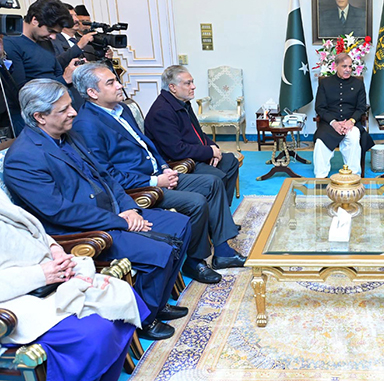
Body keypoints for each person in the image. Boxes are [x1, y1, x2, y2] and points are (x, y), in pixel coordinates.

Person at [4, 79, 192, 341]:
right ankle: (146, 318)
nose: (74, 113)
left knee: (180, 225)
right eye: (64, 110)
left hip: (115, 213)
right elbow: (59, 212)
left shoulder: (70, 136)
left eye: (71, 106)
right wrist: (119, 220)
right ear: (40, 117)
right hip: (83, 230)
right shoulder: (23, 158)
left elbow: (106, 176)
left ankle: (157, 303)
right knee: (160, 250)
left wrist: (129, 209)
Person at [72, 63, 246, 285]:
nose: (119, 85)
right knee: (196, 201)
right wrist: (155, 180)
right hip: (138, 187)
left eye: (116, 80)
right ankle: (195, 262)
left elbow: (148, 145)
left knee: (212, 183)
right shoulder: (86, 124)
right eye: (111, 82)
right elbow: (106, 174)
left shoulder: (121, 109)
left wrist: (164, 167)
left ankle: (222, 252)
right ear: (92, 92)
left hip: (160, 173)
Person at [0, 189, 147, 381]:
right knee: (96, 333)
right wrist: (40, 275)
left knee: (119, 296)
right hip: (15, 300)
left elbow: (27, 226)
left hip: (48, 277)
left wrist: (55, 249)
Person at [145, 65, 240, 205]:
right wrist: (209, 152)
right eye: (188, 83)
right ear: (172, 87)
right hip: (179, 162)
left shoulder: (183, 103)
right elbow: (177, 150)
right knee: (218, 177)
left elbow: (198, 133)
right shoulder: (162, 111)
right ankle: (217, 217)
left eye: (192, 82)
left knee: (230, 161)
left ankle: (221, 211)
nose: (193, 86)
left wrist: (214, 147)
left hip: (193, 154)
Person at [3, 0, 83, 117]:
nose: (53, 37)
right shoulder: (10, 44)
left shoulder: (44, 39)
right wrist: (64, 79)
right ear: (35, 20)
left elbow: (57, 73)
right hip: (37, 115)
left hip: (59, 107)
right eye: (51, 31)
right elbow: (21, 94)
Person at [313, 52, 374, 177]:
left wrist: (351, 121)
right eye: (344, 66)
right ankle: (320, 177)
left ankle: (353, 175)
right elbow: (320, 107)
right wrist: (334, 123)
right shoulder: (325, 83)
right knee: (320, 143)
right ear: (336, 66)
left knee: (354, 136)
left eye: (350, 67)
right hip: (330, 124)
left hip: (351, 123)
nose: (348, 70)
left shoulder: (358, 84)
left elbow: (361, 107)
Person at [50, 3, 97, 70]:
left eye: (76, 15)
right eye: (71, 16)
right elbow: (56, 64)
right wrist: (79, 46)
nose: (76, 19)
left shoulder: (82, 40)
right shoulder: (52, 41)